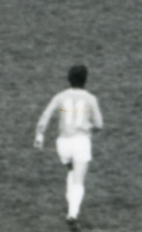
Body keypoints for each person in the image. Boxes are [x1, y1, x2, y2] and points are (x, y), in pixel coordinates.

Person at [33, 63, 104, 225]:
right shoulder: (90, 99)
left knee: (72, 170)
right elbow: (99, 125)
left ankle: (71, 205)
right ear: (85, 80)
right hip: (81, 142)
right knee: (79, 179)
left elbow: (45, 116)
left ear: (68, 79)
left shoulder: (60, 97)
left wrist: (39, 136)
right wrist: (88, 126)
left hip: (63, 144)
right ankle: (72, 214)